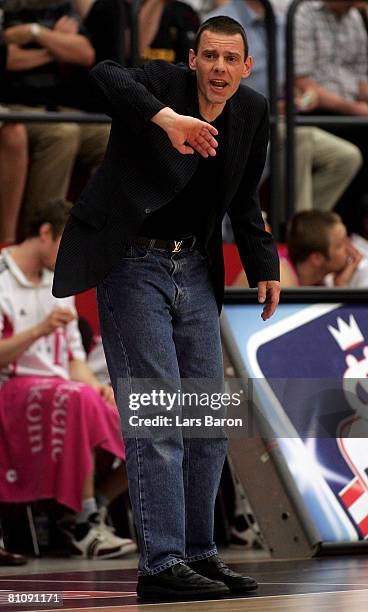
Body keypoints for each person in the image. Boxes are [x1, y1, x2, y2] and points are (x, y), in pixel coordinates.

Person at [53, 16, 280, 600]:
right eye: (210, 57)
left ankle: (200, 554)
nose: (221, 69)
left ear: (247, 66)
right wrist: (166, 118)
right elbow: (104, 73)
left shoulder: (252, 112)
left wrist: (265, 267)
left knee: (206, 423)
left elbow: (246, 201)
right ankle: (160, 563)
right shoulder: (160, 85)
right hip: (132, 263)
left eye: (232, 59)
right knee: (159, 419)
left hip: (196, 269)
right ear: (192, 59)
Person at [0, 199, 137, 559]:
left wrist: (100, 388)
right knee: (77, 398)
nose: (75, 254)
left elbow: (75, 360)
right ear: (45, 233)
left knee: (148, 411)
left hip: (64, 388)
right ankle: (83, 522)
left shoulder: (60, 281)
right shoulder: (1, 277)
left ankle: (93, 507)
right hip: (11, 387)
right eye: (69, 243)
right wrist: (39, 330)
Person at [204, 0, 363, 216]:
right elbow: (210, 85)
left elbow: (290, 80)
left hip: (277, 117)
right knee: (300, 141)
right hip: (236, 120)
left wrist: (296, 99)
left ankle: (306, 230)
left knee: (347, 157)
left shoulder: (283, 22)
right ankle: (296, 235)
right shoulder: (219, 24)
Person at [1, 0, 110, 219]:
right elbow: (8, 59)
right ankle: (43, 233)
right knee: (61, 133)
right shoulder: (7, 7)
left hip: (55, 107)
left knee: (111, 135)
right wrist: (57, 46)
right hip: (14, 105)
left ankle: (98, 232)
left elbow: (85, 54)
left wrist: (36, 33)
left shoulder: (60, 6)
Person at [294, 1, 368, 225]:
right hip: (315, 108)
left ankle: (351, 230)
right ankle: (341, 227)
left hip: (352, 107)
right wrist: (356, 109)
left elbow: (361, 79)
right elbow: (301, 83)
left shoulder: (354, 17)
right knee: (362, 140)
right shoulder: (302, 13)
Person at [278, 211, 363, 288]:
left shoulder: (320, 277)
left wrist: (340, 284)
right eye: (340, 244)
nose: (350, 248)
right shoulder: (280, 277)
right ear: (317, 258)